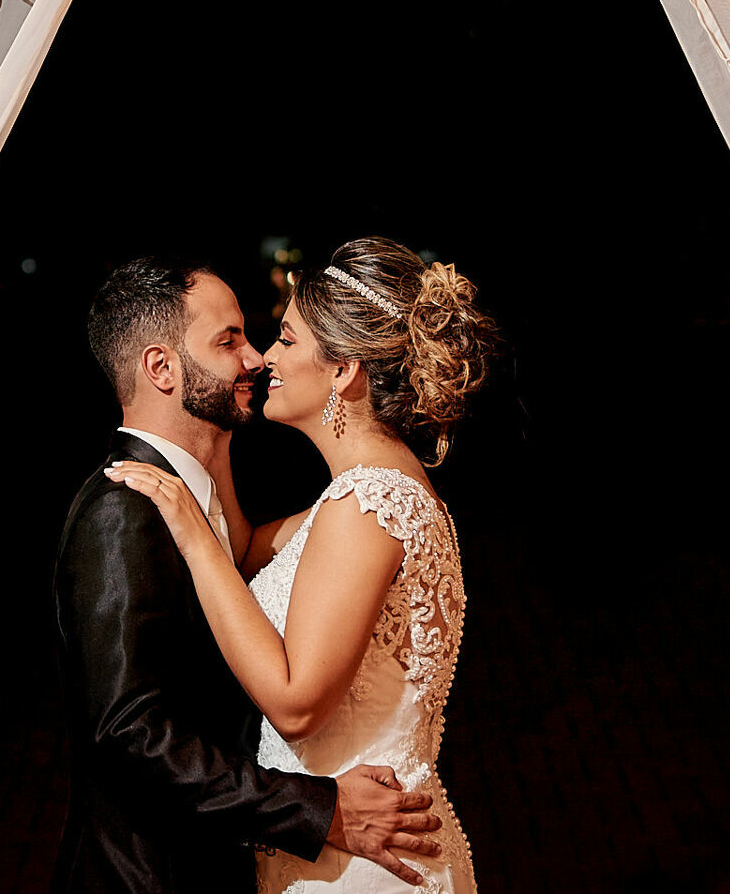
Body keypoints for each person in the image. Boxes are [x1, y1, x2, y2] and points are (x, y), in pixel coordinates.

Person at [108, 238, 497, 893]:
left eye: (287, 340)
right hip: (355, 843)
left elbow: (295, 707)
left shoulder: (366, 505)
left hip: (363, 857)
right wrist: (219, 422)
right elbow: (247, 547)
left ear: (343, 369)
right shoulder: (375, 490)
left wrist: (195, 541)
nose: (265, 359)